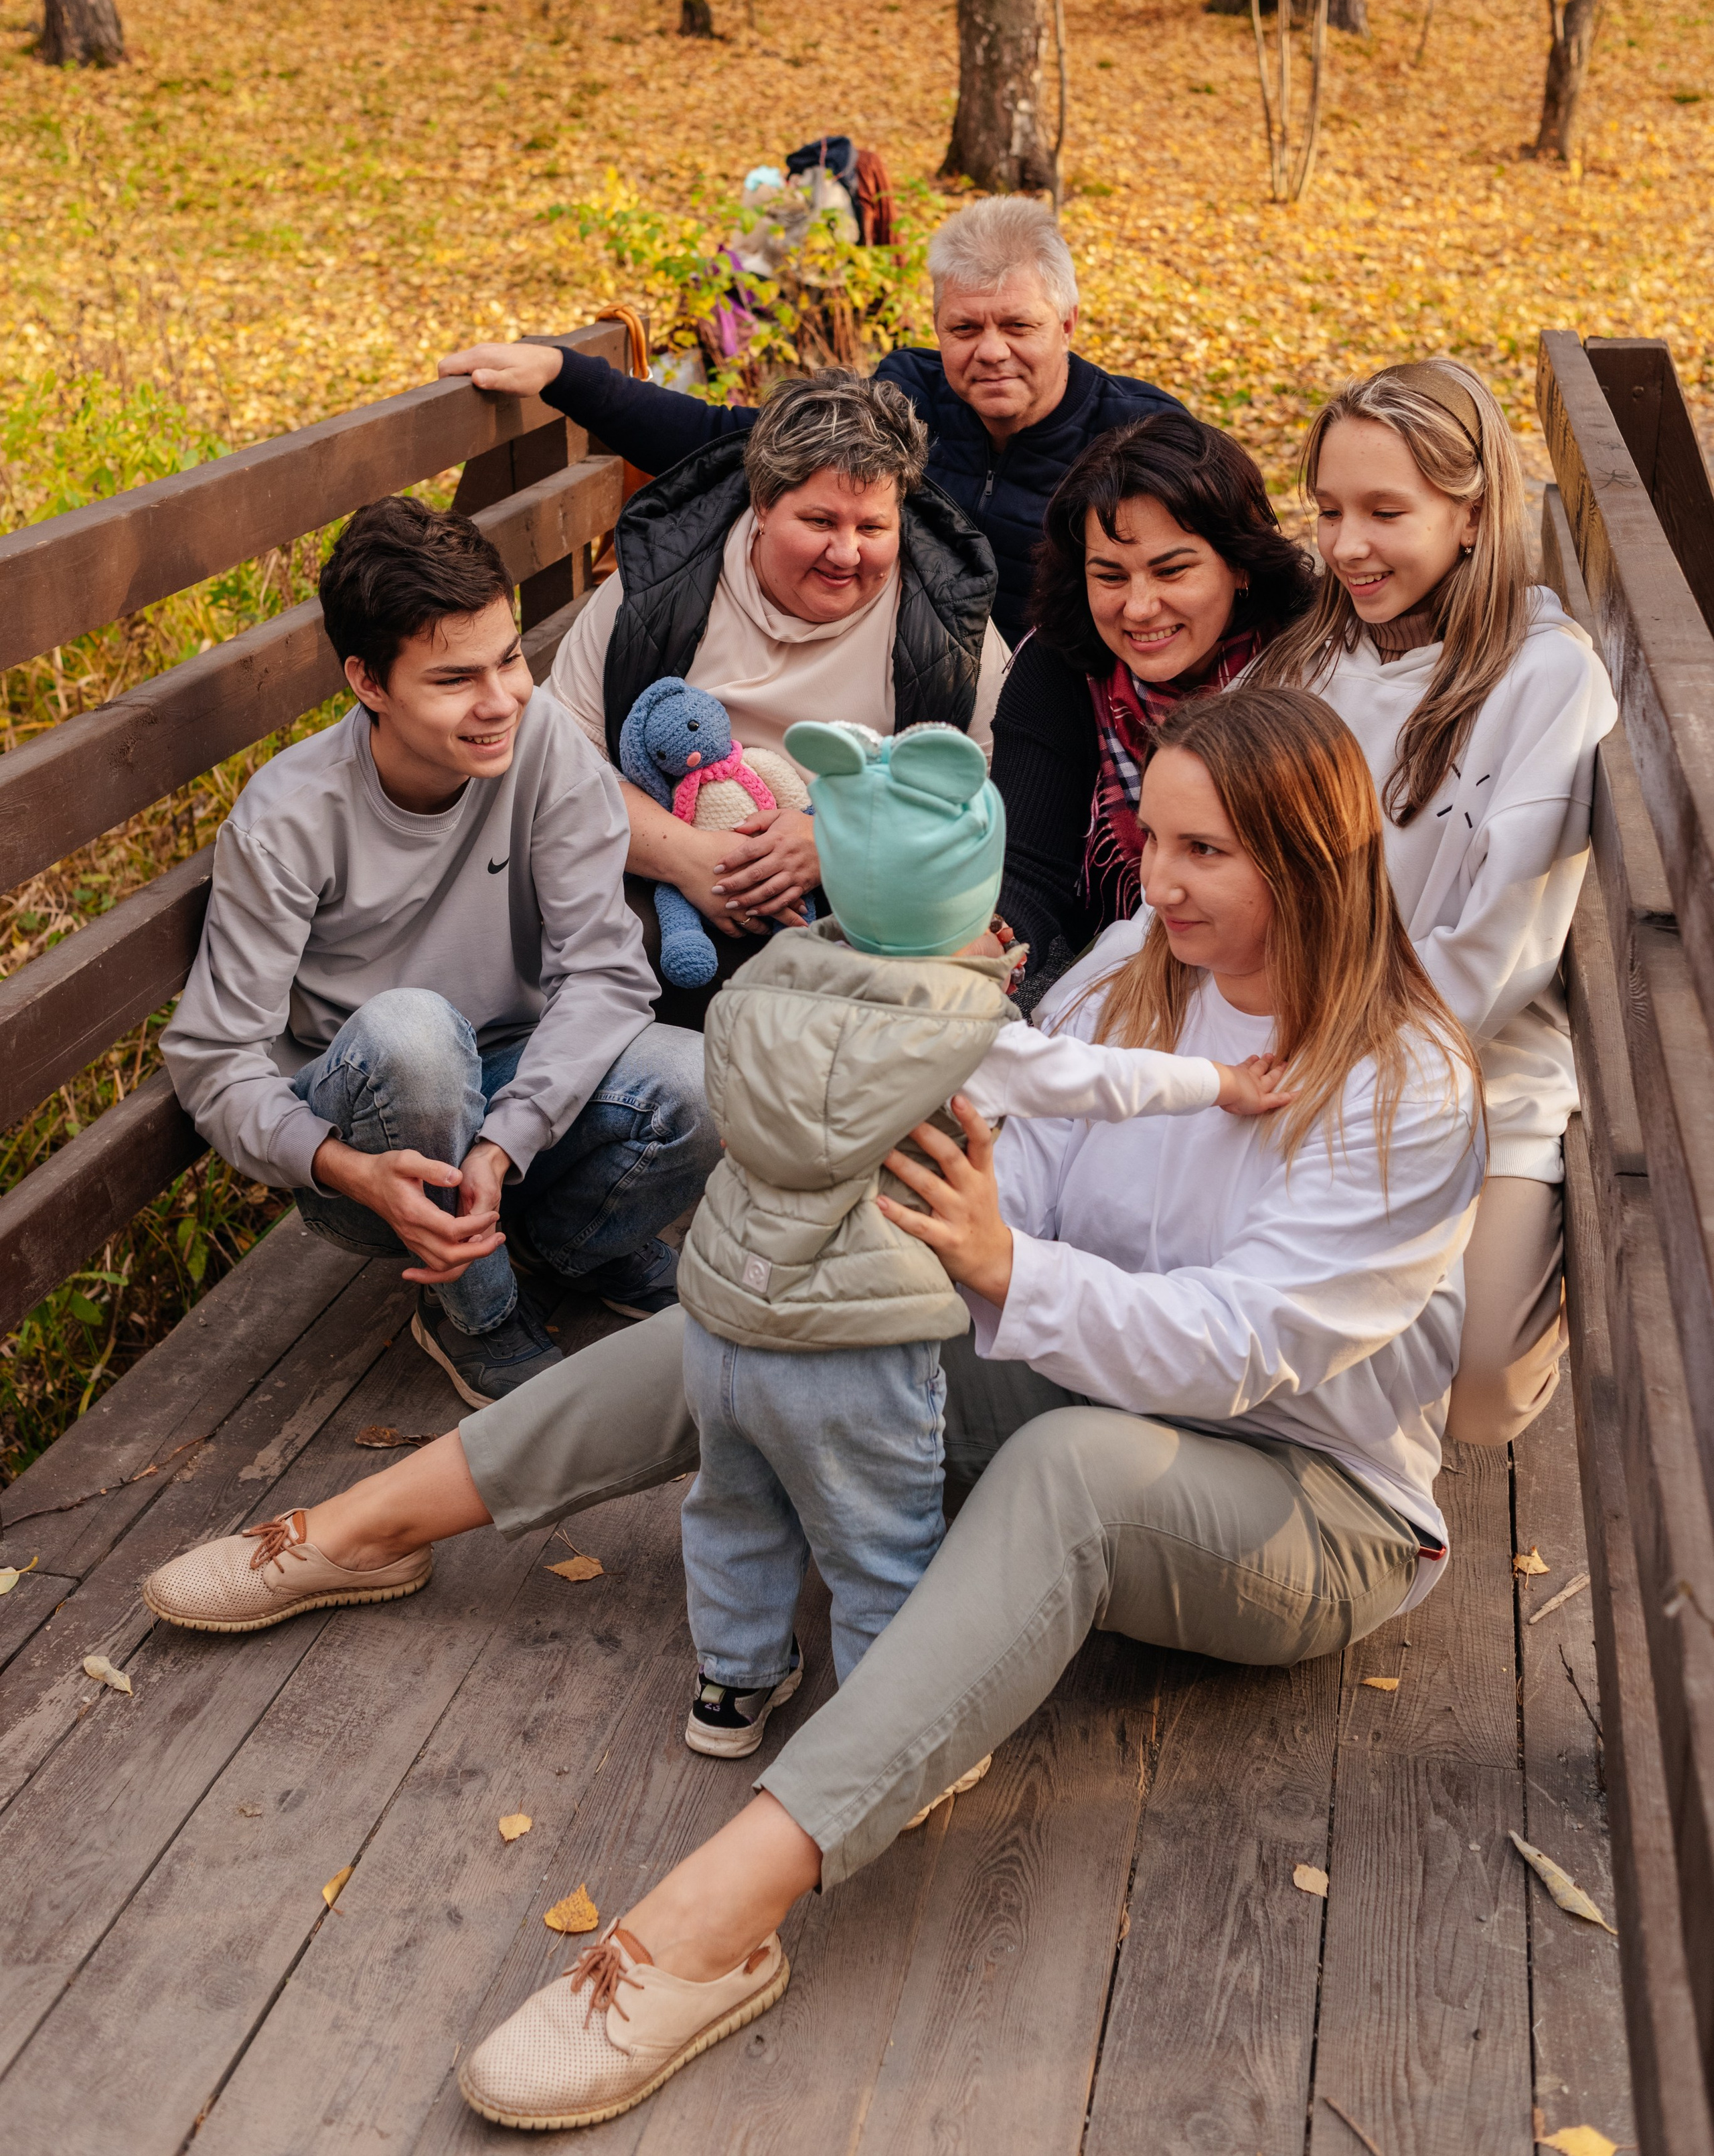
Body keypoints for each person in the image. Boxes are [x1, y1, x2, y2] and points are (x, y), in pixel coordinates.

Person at [143, 686, 1483, 2135]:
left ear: (1310, 856)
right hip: (1079, 1356)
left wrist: (995, 1260)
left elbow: (1245, 1348)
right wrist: (902, 1213)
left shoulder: (1407, 1085)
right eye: (1148, 838)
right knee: (772, 1308)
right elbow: (1001, 1183)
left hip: (1311, 1499)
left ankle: (717, 1916)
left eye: (1204, 852)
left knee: (1071, 1471)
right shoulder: (1128, 974)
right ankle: (368, 1529)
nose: (1156, 881)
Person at [676, 714, 1292, 1760]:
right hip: (853, 1343)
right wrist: (1222, 1080)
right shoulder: (972, 1038)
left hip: (721, 1322)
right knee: (881, 1543)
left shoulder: (763, 984)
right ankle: (884, 1730)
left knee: (733, 1508)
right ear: (968, 893)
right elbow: (1102, 1079)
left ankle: (731, 1686)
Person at [154, 498, 718, 1435]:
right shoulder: (291, 814)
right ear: (369, 681)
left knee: (703, 1083)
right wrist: (341, 1166)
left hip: (514, 1085)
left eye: (508, 657)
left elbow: (607, 974)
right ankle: (478, 1313)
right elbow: (215, 1060)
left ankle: (565, 1244)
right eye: (454, 678)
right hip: (376, 1143)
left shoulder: (543, 748)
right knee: (414, 1034)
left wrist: (504, 1145)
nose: (499, 698)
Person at [1251, 357, 1618, 1446]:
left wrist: (1352, 1077)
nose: (1347, 545)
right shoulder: (1307, 666)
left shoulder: (1546, 677)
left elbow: (1499, 950)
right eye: (1327, 511)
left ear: (1471, 513)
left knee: (1484, 1394)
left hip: (1472, 1069)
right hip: (1289, 1055)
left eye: (1384, 511)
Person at [438, 195, 1184, 645]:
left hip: (1065, 710)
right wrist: (567, 375)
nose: (990, 352)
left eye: (1017, 326)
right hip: (895, 689)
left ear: (1068, 321)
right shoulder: (904, 399)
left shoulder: (1138, 436)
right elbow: (735, 442)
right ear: (936, 323)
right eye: (964, 329)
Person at [547, 369, 1008, 1022]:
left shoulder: (947, 623)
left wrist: (839, 845)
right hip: (663, 882)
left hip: (858, 904)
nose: (845, 553)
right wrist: (690, 858)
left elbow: (975, 797)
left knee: (961, 973)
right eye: (819, 520)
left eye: (873, 526)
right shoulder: (658, 589)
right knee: (600, 942)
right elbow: (560, 760)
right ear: (761, 505)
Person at [993, 410, 1316, 997]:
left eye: (1172, 570)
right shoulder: (1059, 664)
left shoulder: (1315, 657)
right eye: (1110, 576)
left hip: (1292, 969)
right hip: (1120, 966)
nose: (1140, 608)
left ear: (1239, 562)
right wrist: (995, 938)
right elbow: (1026, 867)